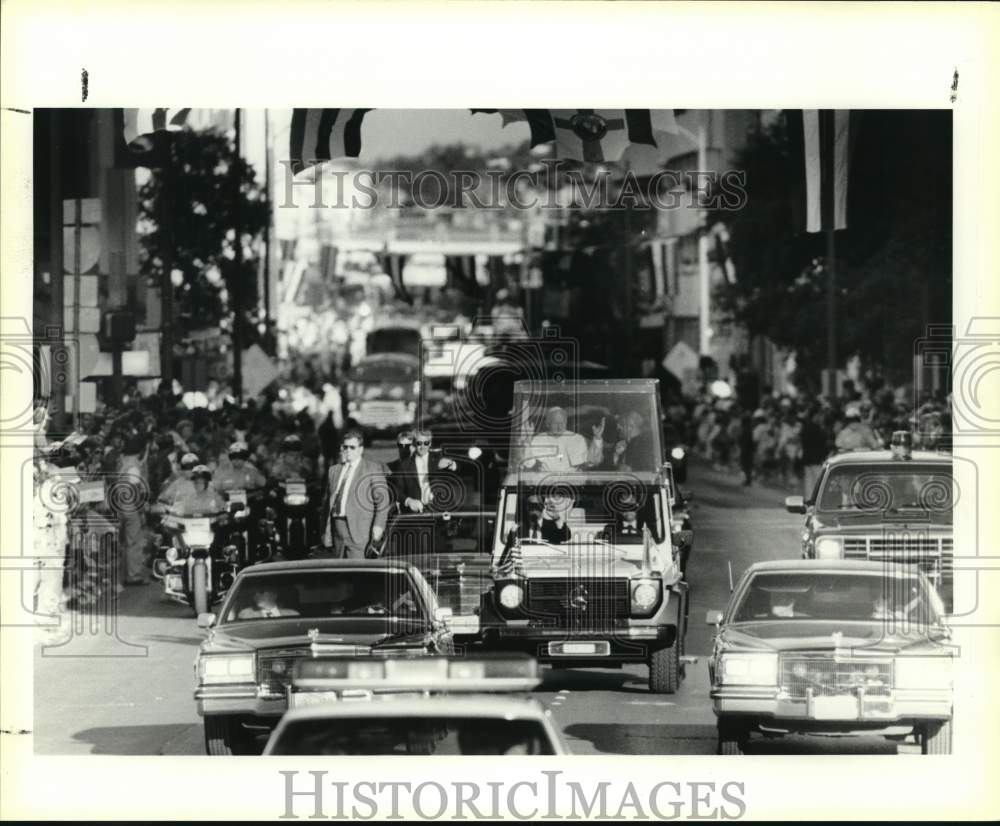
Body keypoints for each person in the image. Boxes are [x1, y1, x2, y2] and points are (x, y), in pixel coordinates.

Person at [320, 429, 391, 559]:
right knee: (339, 574)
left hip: (360, 531)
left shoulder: (371, 468)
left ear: (360, 449)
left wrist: (378, 526)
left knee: (358, 573)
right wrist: (324, 531)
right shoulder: (334, 470)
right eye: (345, 446)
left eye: (352, 447)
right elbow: (326, 503)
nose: (348, 450)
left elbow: (383, 500)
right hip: (337, 531)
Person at [394, 429, 458, 514]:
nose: (423, 446)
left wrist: (452, 464)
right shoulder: (404, 465)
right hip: (417, 511)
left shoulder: (439, 458)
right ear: (414, 444)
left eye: (426, 443)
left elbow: (461, 468)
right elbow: (397, 490)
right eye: (419, 443)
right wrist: (408, 501)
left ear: (430, 443)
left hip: (442, 509)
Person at [524, 407, 600, 471]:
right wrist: (528, 439)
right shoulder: (538, 439)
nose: (559, 427)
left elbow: (591, 462)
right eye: (556, 423)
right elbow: (528, 464)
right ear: (548, 424)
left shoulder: (577, 438)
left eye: (562, 423)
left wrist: (597, 438)